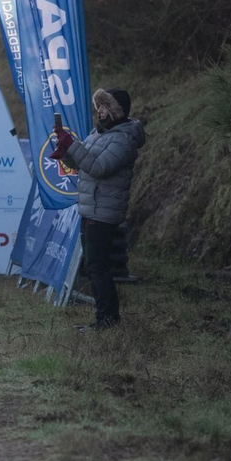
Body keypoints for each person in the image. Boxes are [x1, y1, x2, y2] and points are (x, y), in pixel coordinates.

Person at [52, 88, 146, 330]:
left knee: (97, 265)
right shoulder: (99, 133)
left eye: (105, 107)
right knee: (95, 266)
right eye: (99, 106)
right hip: (91, 207)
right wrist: (65, 149)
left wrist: (72, 146)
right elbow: (82, 165)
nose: (100, 111)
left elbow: (99, 167)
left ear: (117, 111)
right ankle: (105, 318)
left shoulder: (124, 139)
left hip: (103, 211)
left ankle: (107, 319)